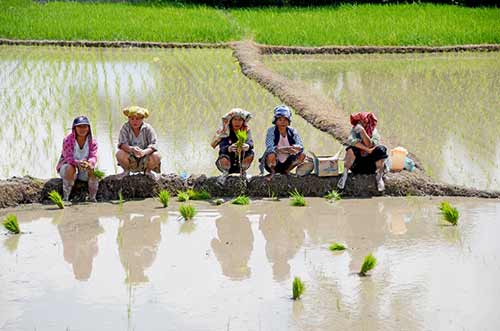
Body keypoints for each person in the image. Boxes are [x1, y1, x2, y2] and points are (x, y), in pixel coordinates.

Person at [337, 112, 388, 191]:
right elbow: (351, 141)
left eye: (362, 122)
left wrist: (363, 132)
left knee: (381, 150)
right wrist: (367, 150)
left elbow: (370, 145)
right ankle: (344, 175)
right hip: (356, 165)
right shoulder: (354, 131)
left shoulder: (374, 132)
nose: (360, 124)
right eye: (358, 122)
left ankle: (379, 178)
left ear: (367, 122)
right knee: (350, 149)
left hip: (371, 166)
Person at [56, 115, 99, 202]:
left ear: (88, 128)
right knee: (70, 167)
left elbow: (93, 156)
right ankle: (66, 197)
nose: (82, 129)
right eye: (79, 126)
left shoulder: (92, 142)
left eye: (85, 126)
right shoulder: (68, 140)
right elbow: (68, 157)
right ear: (74, 128)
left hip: (84, 168)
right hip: (68, 168)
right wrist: (77, 163)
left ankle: (92, 198)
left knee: (94, 171)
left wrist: (90, 163)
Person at [116, 106, 162, 181]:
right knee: (119, 154)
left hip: (145, 158)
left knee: (157, 156)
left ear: (142, 119)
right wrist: (131, 149)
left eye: (137, 119)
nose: (134, 121)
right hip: (130, 157)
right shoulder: (125, 127)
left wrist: (144, 152)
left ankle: (148, 171)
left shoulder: (148, 128)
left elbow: (154, 145)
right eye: (132, 119)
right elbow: (121, 144)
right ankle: (126, 171)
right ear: (128, 119)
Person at [259, 105, 305, 178]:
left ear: (288, 121)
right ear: (276, 121)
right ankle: (272, 172)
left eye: (285, 120)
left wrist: (296, 148)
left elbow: (300, 146)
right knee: (271, 154)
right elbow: (270, 147)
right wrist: (286, 149)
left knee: (302, 155)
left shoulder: (292, 131)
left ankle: (287, 170)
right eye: (280, 120)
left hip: (287, 162)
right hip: (274, 162)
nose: (283, 122)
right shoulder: (271, 131)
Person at [211, 108, 254, 177]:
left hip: (240, 160)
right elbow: (222, 147)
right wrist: (229, 148)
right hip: (227, 159)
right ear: (231, 121)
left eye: (240, 120)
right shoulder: (225, 131)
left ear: (243, 121)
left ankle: (243, 171)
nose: (237, 122)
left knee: (251, 153)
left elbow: (251, 143)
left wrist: (247, 146)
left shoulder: (246, 130)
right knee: (223, 157)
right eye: (235, 120)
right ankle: (225, 173)